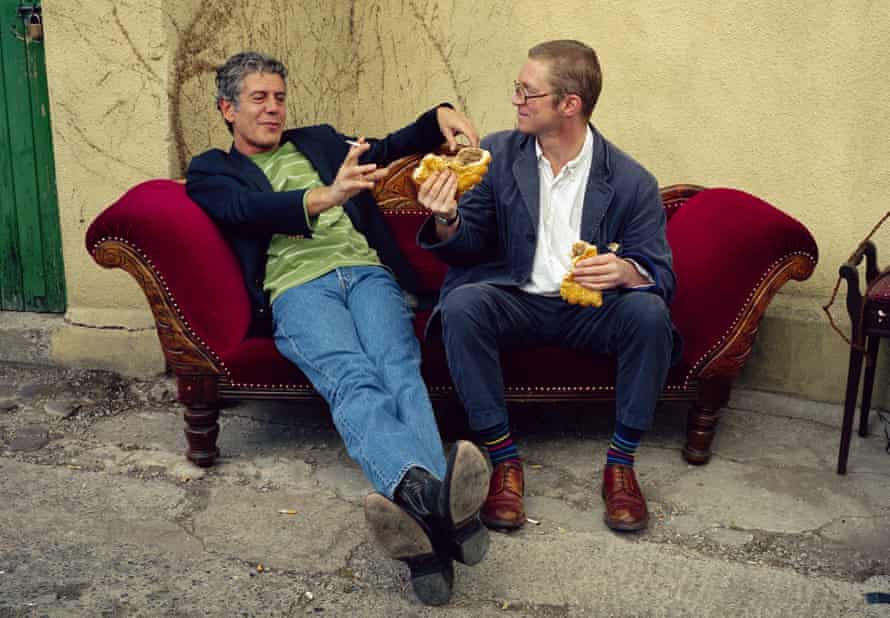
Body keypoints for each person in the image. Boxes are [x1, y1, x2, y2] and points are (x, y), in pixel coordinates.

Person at [185, 51, 490, 606]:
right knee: (353, 379)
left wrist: (438, 116)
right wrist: (327, 196)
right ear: (228, 109)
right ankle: (439, 505)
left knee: (399, 371)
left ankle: (421, 521)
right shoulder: (212, 169)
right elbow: (242, 210)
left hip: (369, 275)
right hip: (300, 288)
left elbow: (389, 146)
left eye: (279, 96)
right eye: (259, 98)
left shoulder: (320, 141)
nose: (273, 108)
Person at [417, 40, 681, 533]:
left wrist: (625, 271)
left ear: (569, 105)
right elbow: (466, 246)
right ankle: (504, 460)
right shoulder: (496, 153)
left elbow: (660, 272)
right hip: (515, 300)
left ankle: (620, 464)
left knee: (649, 315)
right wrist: (447, 217)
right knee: (462, 305)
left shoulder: (629, 180)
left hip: (589, 310)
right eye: (517, 88)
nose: (516, 99)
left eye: (528, 92)